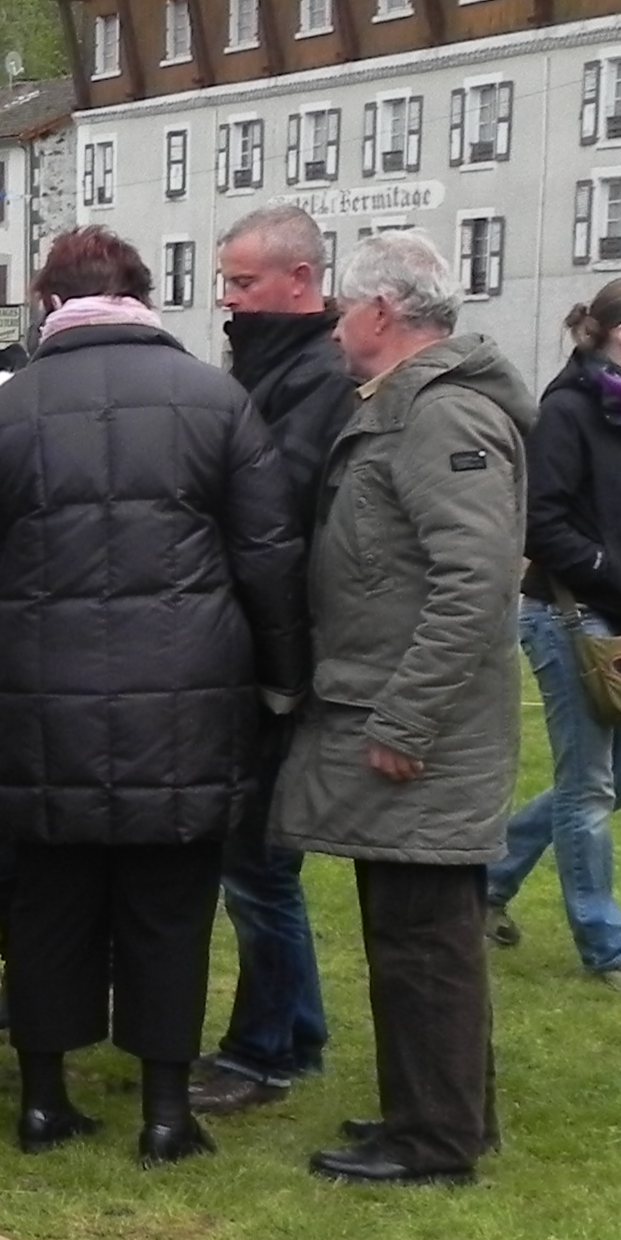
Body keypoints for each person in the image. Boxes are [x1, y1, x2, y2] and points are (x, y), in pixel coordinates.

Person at [0, 225, 306, 1164]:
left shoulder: (7, 412)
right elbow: (268, 559)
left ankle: (43, 1101)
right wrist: (282, 679)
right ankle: (166, 1112)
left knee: (48, 904)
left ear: (50, 302)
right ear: (140, 294)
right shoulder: (216, 400)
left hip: (35, 701)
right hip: (186, 702)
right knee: (170, 910)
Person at [270, 231, 532, 1187]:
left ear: (381, 312)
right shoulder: (411, 407)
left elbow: (476, 580)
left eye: (345, 308)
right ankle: (442, 1114)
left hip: (424, 731)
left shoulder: (440, 415)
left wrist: (406, 719)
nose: (338, 326)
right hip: (403, 716)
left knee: (424, 940)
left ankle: (434, 1140)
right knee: (419, 931)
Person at [191, 204, 360, 1117]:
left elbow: (272, 508)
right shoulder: (275, 367)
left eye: (242, 282)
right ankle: (296, 1029)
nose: (228, 298)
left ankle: (263, 1050)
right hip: (268, 642)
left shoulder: (317, 375)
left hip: (278, 646)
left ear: (300, 280)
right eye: (226, 281)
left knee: (257, 866)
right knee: (261, 860)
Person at [485, 277, 621, 995]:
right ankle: (610, 948)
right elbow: (539, 521)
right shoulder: (568, 411)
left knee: (613, 785)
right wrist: (608, 571)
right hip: (569, 619)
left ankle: (485, 882)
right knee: (589, 788)